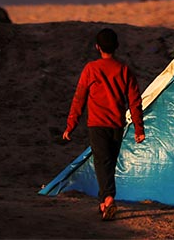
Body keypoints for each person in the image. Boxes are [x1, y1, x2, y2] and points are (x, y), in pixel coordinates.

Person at [63, 28, 145, 221]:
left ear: (97, 47)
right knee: (109, 163)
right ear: (116, 46)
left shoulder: (91, 69)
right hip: (117, 125)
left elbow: (79, 99)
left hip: (97, 125)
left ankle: (108, 199)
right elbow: (135, 101)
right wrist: (139, 129)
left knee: (102, 163)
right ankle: (103, 203)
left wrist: (70, 125)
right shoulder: (124, 70)